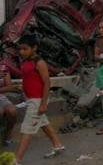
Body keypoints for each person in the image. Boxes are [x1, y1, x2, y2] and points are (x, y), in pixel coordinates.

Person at [15, 34, 64, 165]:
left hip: (38, 100)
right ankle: (57, 144)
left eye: (25, 49)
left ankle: (16, 159)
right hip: (30, 98)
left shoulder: (39, 62)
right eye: (20, 49)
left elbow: (47, 83)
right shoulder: (26, 61)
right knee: (43, 123)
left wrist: (43, 103)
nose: (21, 52)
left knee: (26, 129)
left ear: (34, 48)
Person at [0, 51, 17, 147]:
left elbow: (9, 87)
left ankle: (8, 134)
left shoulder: (3, 69)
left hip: (1, 97)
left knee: (12, 111)